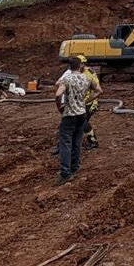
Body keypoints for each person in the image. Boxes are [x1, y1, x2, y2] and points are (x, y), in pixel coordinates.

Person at [54, 56, 102, 186]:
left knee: (66, 142)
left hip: (69, 114)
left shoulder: (67, 79)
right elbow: (98, 90)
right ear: (80, 66)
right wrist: (86, 101)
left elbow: (58, 94)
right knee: (77, 140)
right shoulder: (86, 78)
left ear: (69, 66)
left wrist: (60, 107)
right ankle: (75, 166)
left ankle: (65, 173)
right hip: (82, 113)